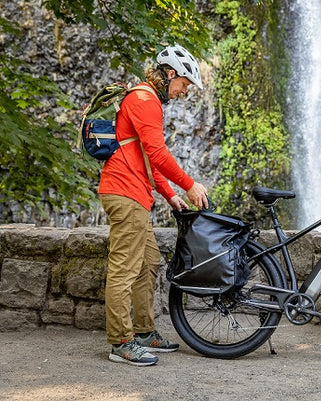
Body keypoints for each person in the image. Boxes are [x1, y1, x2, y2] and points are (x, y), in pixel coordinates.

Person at [99, 44, 209, 366]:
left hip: (136, 192)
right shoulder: (144, 100)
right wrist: (189, 185)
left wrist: (171, 196)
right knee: (124, 268)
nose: (184, 92)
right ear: (171, 73)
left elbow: (148, 159)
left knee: (148, 261)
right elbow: (158, 154)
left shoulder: (145, 101)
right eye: (184, 84)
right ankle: (121, 342)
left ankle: (145, 332)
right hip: (124, 192)